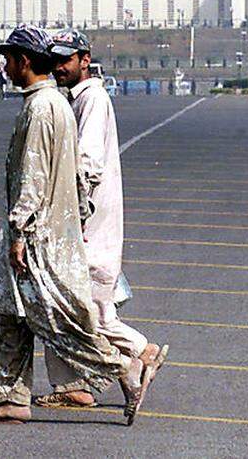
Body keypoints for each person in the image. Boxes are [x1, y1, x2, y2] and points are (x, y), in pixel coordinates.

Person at [0, 25, 151, 426]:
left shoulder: (41, 108)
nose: (5, 66)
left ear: (25, 62)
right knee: (7, 313)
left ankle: (124, 365)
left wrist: (20, 231)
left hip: (37, 235)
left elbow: (34, 177)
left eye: (9, 59)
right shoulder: (55, 103)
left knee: (53, 318)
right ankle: (13, 400)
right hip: (48, 232)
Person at [34, 28, 168, 408]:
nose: (58, 67)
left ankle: (141, 354)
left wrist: (70, 217)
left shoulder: (92, 99)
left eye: (66, 60)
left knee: (82, 312)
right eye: (54, 60)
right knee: (68, 308)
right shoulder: (75, 99)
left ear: (84, 60)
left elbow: (87, 165)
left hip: (88, 226)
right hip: (85, 224)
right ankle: (75, 384)